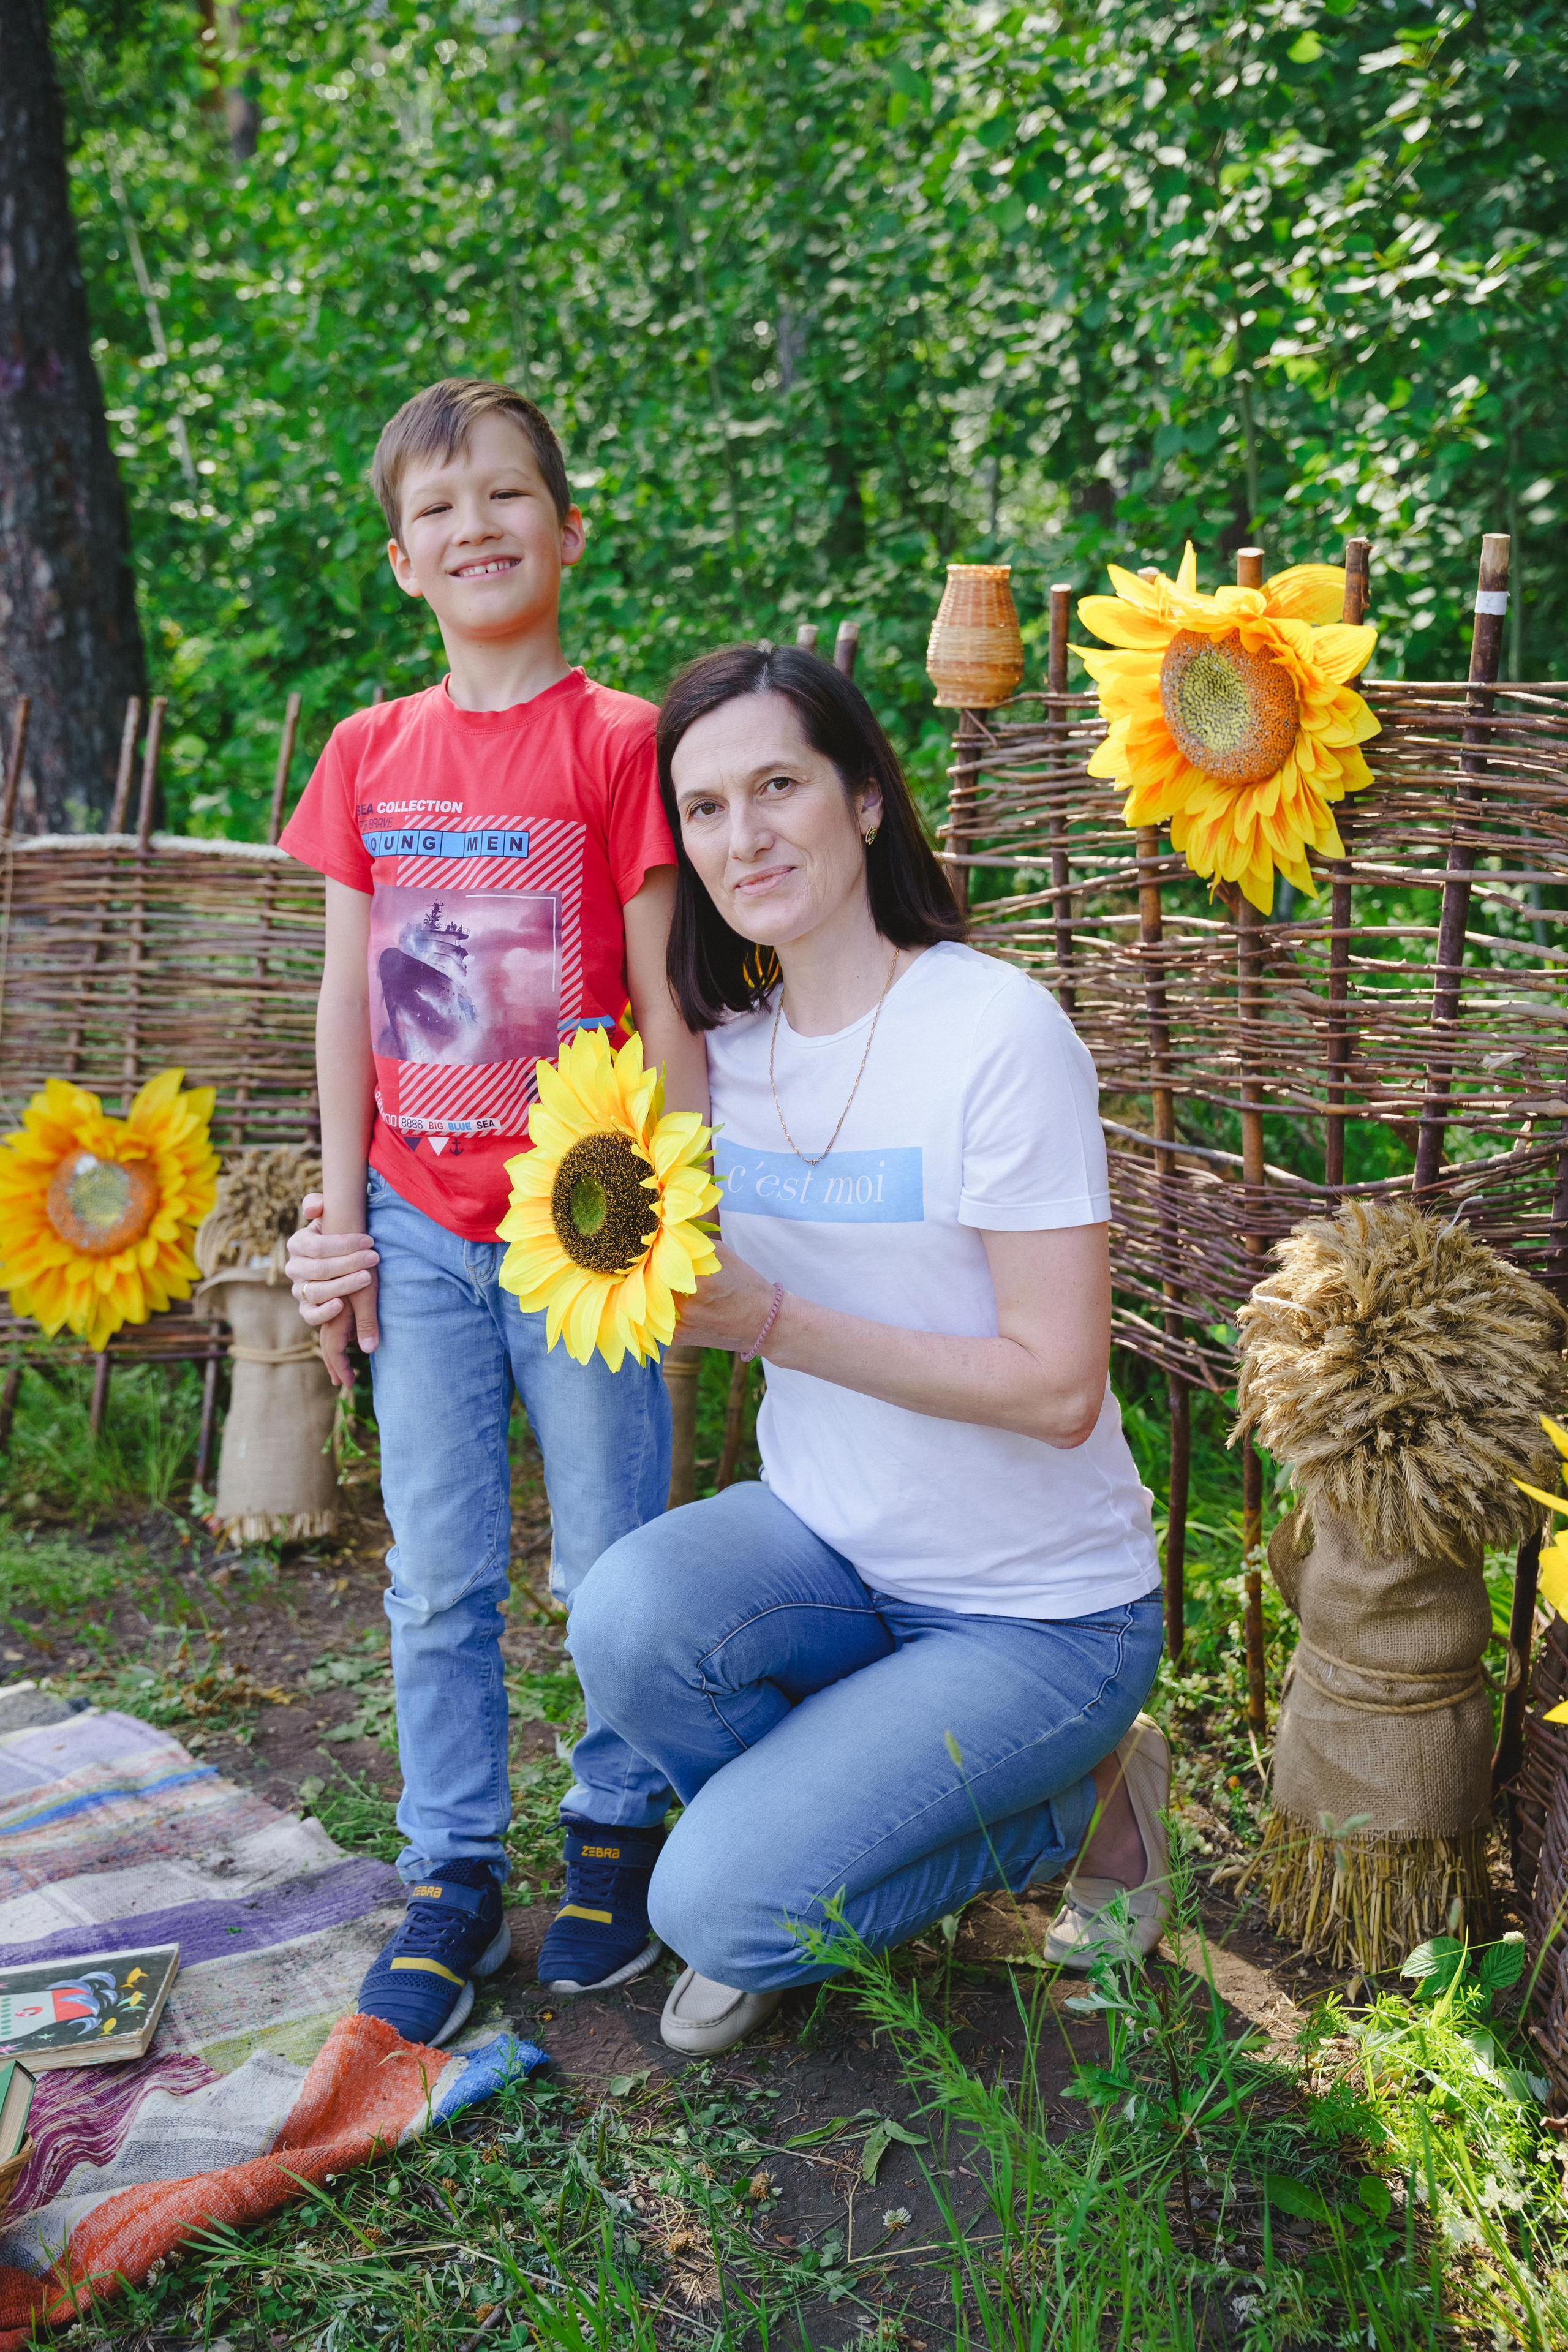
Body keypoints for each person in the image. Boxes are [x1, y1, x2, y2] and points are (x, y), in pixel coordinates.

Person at [562, 643, 1169, 2057]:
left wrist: (774, 1323)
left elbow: (1058, 1386)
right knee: (625, 1617)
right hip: (832, 1559)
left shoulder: (992, 1032)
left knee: (711, 1911)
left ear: (866, 802)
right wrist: (341, 1234)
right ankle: (830, 1827)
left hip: (1037, 1617)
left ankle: (1088, 1790)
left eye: (777, 786)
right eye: (703, 808)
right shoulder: (721, 1054)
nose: (741, 834)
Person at [280, 378, 707, 2047]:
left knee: (612, 1565)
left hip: (587, 1230)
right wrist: (340, 1219)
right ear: (402, 560)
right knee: (439, 1575)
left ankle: (615, 1832)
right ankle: (453, 1870)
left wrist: (675, 1200)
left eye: (507, 498)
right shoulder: (367, 754)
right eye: (440, 512)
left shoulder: (620, 746)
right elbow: (342, 1001)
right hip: (417, 1232)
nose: (476, 530)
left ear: (568, 528)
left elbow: (670, 1002)